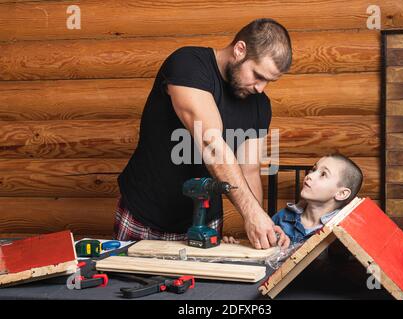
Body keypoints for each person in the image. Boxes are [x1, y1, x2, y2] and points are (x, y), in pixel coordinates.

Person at [114, 18, 292, 249]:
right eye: (258, 75)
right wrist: (252, 214)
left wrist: (260, 221)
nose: (261, 88)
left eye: (269, 81)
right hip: (145, 214)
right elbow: (211, 143)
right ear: (240, 50)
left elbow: (249, 170)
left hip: (204, 221)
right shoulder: (187, 64)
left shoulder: (259, 104)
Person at [223, 153, 363, 246]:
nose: (310, 175)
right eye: (314, 169)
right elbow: (263, 250)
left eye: (323, 174)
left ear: (341, 194)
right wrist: (237, 247)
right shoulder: (282, 218)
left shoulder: (344, 231)